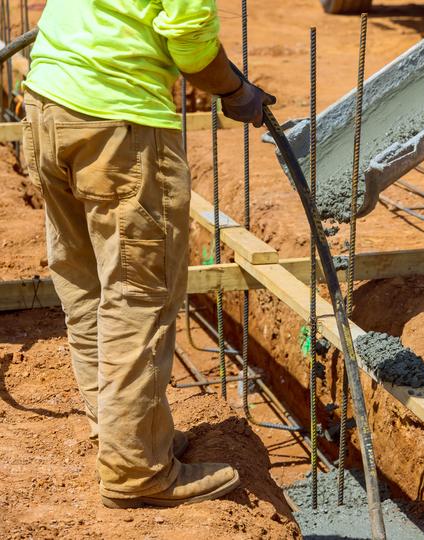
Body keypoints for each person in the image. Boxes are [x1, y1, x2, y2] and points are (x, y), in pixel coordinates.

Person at [21, 1, 274, 508]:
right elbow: (191, 44)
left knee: (88, 286)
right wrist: (235, 90)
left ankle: (122, 433)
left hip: (47, 107)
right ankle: (136, 470)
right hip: (117, 125)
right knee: (139, 298)